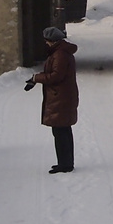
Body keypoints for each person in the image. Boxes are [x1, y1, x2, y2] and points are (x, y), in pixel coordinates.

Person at [25, 26, 79, 173]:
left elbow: (56, 76)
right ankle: (66, 162)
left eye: (46, 41)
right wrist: (35, 79)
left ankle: (65, 164)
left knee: (60, 132)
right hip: (63, 97)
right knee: (64, 131)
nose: (46, 44)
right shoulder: (61, 53)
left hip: (60, 98)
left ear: (52, 41)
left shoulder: (59, 54)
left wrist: (37, 77)